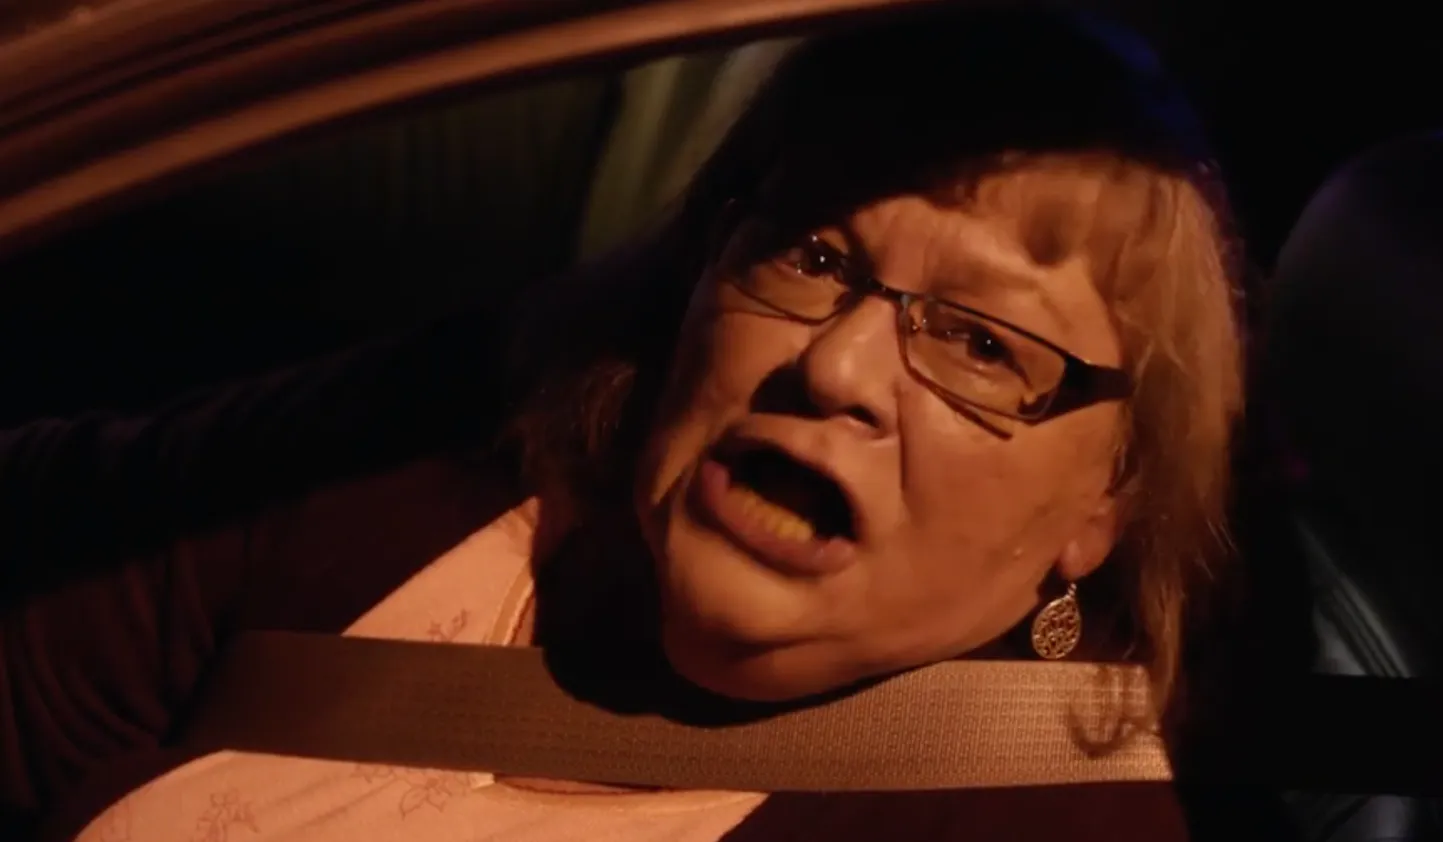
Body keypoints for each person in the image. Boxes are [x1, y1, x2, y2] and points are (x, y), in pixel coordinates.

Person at [0, 5, 1269, 841]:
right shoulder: (452, 443)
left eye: (983, 345)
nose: (836, 366)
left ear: (1107, 501)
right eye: (811, 255)